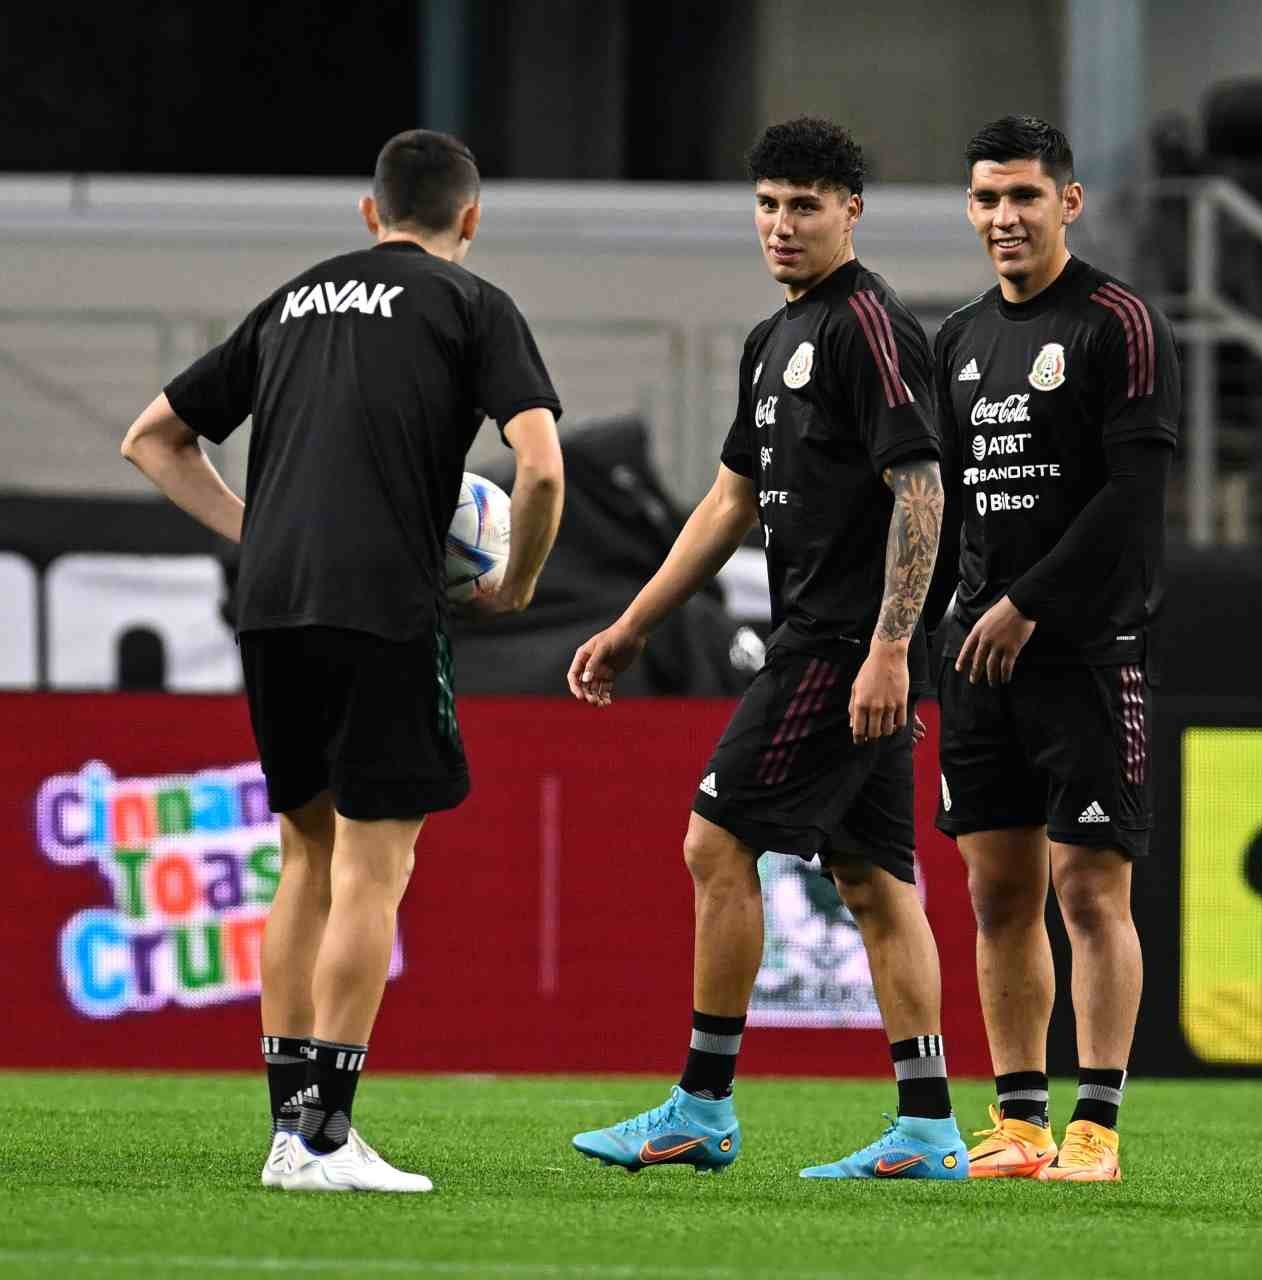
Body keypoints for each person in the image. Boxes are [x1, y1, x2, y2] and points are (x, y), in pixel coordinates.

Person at [120, 128, 566, 1193]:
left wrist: (260, 530)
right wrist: (521, 583)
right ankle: (326, 1134)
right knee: (376, 864)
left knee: (302, 859)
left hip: (273, 606)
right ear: (468, 218)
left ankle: (288, 1133)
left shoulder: (292, 300)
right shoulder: (472, 304)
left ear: (369, 214)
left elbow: (151, 436)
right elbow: (540, 468)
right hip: (381, 603)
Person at [565, 117, 966, 1180]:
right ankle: (928, 1125)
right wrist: (635, 620)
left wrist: (890, 647)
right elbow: (730, 499)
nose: (783, 225)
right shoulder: (771, 338)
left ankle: (701, 1101)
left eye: (806, 205)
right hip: (831, 640)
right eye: (769, 204)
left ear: (852, 211)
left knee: (712, 843)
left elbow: (921, 486)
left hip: (840, 647)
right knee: (878, 881)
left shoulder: (868, 323)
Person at [928, 115, 1180, 1182]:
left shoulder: (1118, 321)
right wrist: (904, 638)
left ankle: (1098, 1125)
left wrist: (1029, 602)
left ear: (1068, 202)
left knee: (1090, 890)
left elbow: (1133, 498)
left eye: (1025, 196)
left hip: (1084, 649)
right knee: (997, 896)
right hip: (975, 656)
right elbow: (939, 511)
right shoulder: (957, 339)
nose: (1004, 217)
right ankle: (1021, 1120)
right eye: (986, 198)